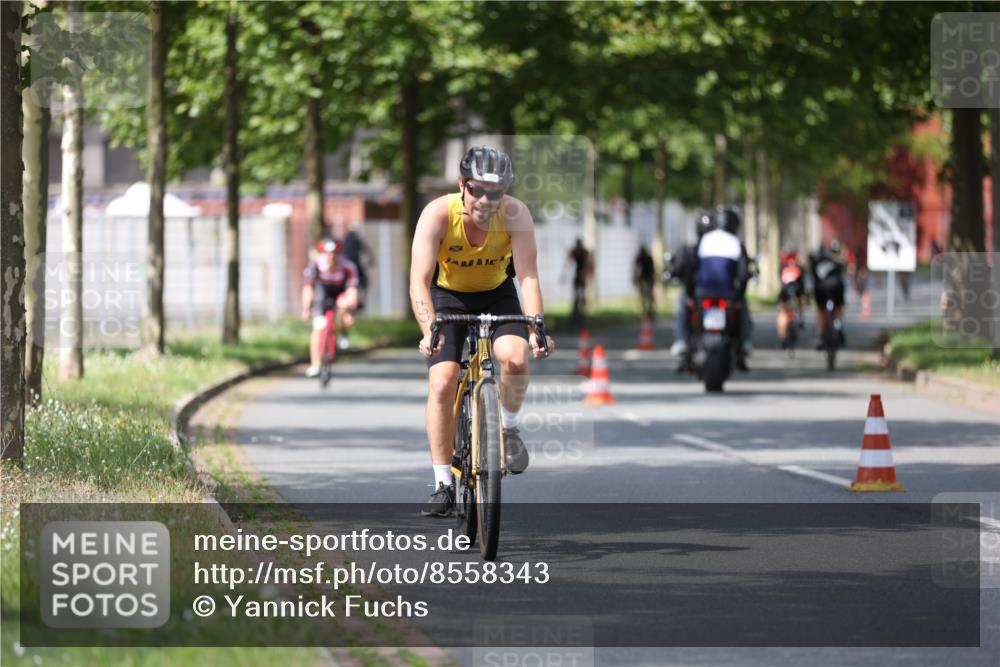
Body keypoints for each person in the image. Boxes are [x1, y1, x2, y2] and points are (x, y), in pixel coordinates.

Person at [409, 146, 555, 517]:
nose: (486, 201)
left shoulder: (516, 214)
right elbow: (418, 281)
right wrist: (428, 330)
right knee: (443, 381)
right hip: (448, 296)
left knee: (516, 359)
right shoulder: (437, 214)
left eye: (496, 192)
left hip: (496, 293)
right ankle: (443, 484)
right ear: (462, 185)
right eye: (477, 190)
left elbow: (528, 276)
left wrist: (536, 327)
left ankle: (508, 428)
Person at [696, 206, 753, 370]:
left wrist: (692, 292)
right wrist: (739, 296)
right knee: (743, 312)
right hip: (728, 294)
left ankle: (683, 342)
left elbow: (693, 267)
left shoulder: (704, 240)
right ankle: (745, 344)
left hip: (703, 293)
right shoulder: (736, 243)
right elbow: (743, 274)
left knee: (688, 310)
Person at [300, 236, 360, 377]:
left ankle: (343, 331)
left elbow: (352, 291)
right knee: (318, 327)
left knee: (344, 304)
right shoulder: (316, 265)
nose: (331, 257)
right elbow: (308, 288)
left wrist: (351, 311)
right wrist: (306, 308)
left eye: (334, 253)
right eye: (327, 253)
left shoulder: (348, 266)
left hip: (341, 291)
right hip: (323, 293)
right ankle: (315, 364)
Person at [669, 212, 714, 358]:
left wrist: (689, 295)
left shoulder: (692, 250)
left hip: (698, 294)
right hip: (725, 293)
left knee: (681, 304)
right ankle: (745, 342)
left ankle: (681, 340)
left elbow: (684, 271)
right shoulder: (727, 248)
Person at [339, 223, 374, 349]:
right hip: (355, 273)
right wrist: (368, 263)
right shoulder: (359, 241)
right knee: (363, 284)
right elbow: (369, 256)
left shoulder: (343, 240)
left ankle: (344, 330)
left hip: (342, 274)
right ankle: (359, 305)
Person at [809, 239, 847, 349]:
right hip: (836, 287)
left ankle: (820, 337)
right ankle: (838, 326)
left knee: (820, 312)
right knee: (838, 308)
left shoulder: (817, 261)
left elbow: (813, 277)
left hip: (820, 289)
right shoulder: (838, 261)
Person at [777, 247, 805, 346]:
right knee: (800, 300)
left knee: (782, 313)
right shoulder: (799, 267)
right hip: (797, 290)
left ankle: (782, 338)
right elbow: (802, 281)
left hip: (785, 291)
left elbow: (781, 279)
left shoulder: (783, 267)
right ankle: (800, 319)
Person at [565, 238, 592, 327]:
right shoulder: (578, 252)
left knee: (581, 295)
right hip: (578, 276)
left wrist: (585, 274)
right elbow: (569, 260)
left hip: (581, 276)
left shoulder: (584, 253)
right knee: (577, 296)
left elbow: (588, 264)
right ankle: (577, 314)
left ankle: (581, 314)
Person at [633, 244, 656, 318]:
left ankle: (648, 311)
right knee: (644, 296)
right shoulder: (640, 258)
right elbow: (636, 270)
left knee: (647, 296)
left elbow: (652, 269)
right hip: (643, 280)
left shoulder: (646, 258)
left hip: (647, 279)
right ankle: (646, 311)